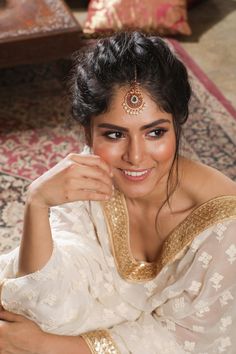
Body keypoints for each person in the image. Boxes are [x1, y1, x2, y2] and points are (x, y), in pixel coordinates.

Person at [0, 31, 236, 354]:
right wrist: (37, 203)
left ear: (178, 124)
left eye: (155, 132)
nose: (135, 157)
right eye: (114, 134)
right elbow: (45, 298)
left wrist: (43, 346)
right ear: (88, 131)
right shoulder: (91, 176)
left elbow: (182, 345)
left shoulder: (224, 227)